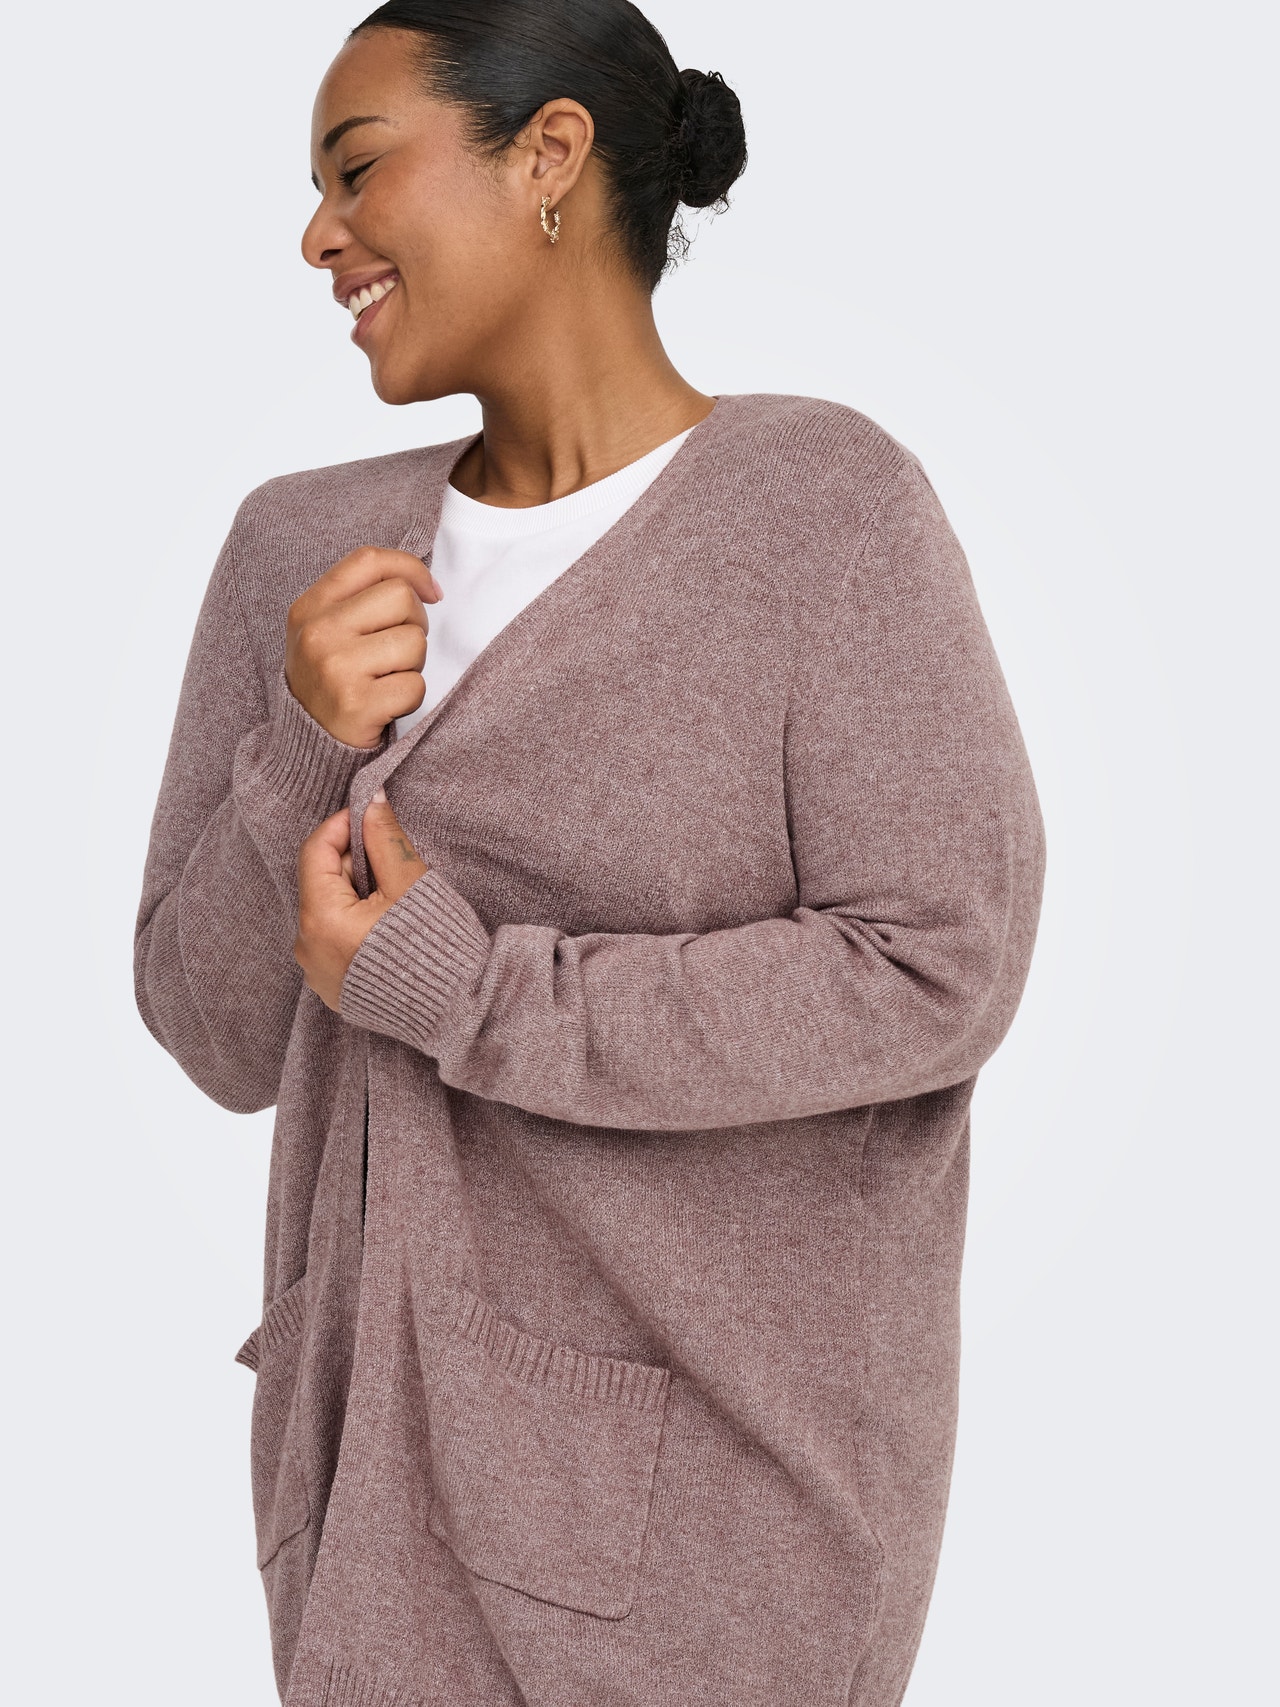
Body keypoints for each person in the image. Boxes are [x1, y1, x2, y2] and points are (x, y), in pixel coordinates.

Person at [133, 2, 1047, 1702]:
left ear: (547, 156)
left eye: (357, 170)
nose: (319, 236)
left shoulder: (820, 510)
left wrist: (464, 988)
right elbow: (211, 1034)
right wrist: (303, 745)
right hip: (361, 1501)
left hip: (721, 1529)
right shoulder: (298, 544)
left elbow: (935, 970)